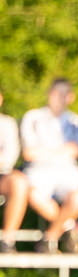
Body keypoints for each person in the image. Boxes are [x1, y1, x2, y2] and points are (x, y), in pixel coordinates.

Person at [19, 78, 78, 254]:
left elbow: (76, 150)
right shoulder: (33, 117)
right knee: (34, 195)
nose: (59, 98)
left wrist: (45, 150)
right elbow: (29, 153)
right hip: (38, 171)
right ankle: (69, 227)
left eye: (64, 94)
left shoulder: (76, 120)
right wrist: (61, 150)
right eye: (56, 93)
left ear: (70, 97)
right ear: (49, 94)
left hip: (67, 172)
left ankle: (50, 237)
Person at [0, 87, 28, 253]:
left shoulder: (8, 124)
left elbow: (9, 157)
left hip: (3, 176)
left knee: (19, 182)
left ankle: (7, 241)